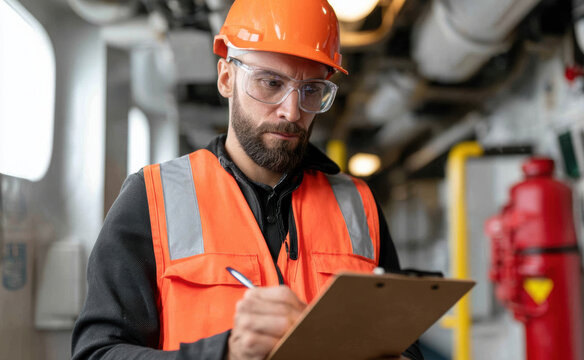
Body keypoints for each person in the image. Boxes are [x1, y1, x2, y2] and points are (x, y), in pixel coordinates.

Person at [72, 1, 423, 359]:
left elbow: (402, 342)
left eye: (312, 90)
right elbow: (97, 353)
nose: (292, 110)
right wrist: (223, 354)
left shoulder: (357, 204)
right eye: (271, 83)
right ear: (226, 78)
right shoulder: (152, 198)